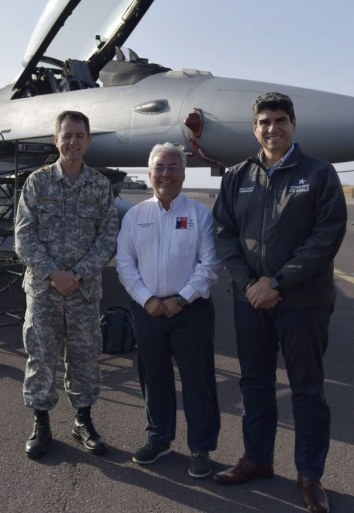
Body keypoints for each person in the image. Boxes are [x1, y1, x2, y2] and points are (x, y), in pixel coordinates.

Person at [211, 92, 346, 513]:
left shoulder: (319, 174)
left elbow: (326, 237)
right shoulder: (236, 175)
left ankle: (310, 475)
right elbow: (223, 234)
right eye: (265, 121)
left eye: (281, 120)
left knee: (306, 390)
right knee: (255, 383)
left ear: (293, 124)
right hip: (249, 300)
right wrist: (251, 283)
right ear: (255, 128)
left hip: (304, 302)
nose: (273, 128)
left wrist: (278, 282)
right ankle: (257, 459)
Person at [14, 110, 119, 459]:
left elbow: (107, 238)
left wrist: (79, 274)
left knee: (85, 358)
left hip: (83, 292)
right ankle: (41, 423)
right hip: (44, 291)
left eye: (79, 136)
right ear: (56, 139)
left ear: (88, 141)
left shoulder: (100, 186)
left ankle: (82, 421)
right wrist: (53, 274)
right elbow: (23, 237)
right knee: (41, 357)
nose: (73, 142)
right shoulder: (37, 182)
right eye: (66, 135)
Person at [115, 143, 222, 478]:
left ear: (184, 173)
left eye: (173, 166)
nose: (166, 174)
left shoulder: (199, 214)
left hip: (190, 311)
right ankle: (159, 438)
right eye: (159, 168)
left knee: (197, 380)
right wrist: (147, 299)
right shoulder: (135, 216)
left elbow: (210, 265)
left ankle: (201, 447)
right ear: (149, 175)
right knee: (154, 378)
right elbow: (124, 263)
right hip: (147, 310)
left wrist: (183, 299)